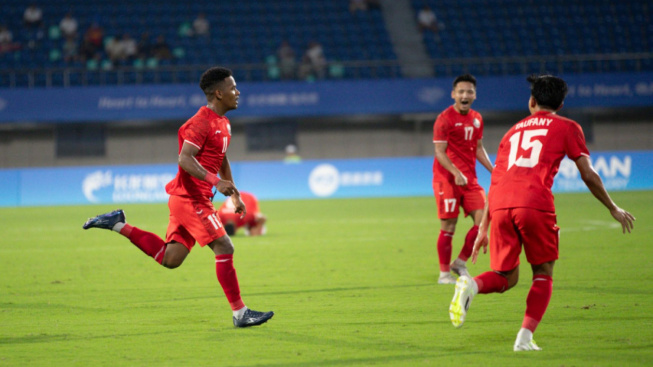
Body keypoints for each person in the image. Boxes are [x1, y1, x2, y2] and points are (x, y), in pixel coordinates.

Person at [448, 74, 635, 351]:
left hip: (499, 205)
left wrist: (484, 227)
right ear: (560, 104)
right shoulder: (568, 127)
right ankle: (523, 339)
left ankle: (472, 286)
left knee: (506, 276)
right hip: (534, 203)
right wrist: (613, 206)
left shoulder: (512, 131)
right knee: (543, 272)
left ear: (532, 101)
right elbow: (588, 173)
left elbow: (497, 179)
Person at [83, 67, 274, 328]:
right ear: (218, 93)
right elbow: (185, 158)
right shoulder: (201, 122)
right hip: (190, 198)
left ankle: (117, 223)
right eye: (232, 88)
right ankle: (241, 313)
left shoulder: (224, 123)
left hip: (192, 198)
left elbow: (221, 158)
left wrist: (236, 196)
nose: (237, 92)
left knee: (169, 258)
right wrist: (215, 181)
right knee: (225, 246)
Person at [432, 74, 493, 284]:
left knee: (483, 220)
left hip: (470, 180)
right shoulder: (444, 119)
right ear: (453, 94)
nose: (465, 95)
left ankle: (459, 262)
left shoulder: (477, 119)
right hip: (446, 179)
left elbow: (478, 148)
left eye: (469, 91)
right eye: (461, 91)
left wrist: (494, 170)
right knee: (449, 226)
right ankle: (444, 274)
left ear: (474, 95)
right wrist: (455, 172)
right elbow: (440, 152)